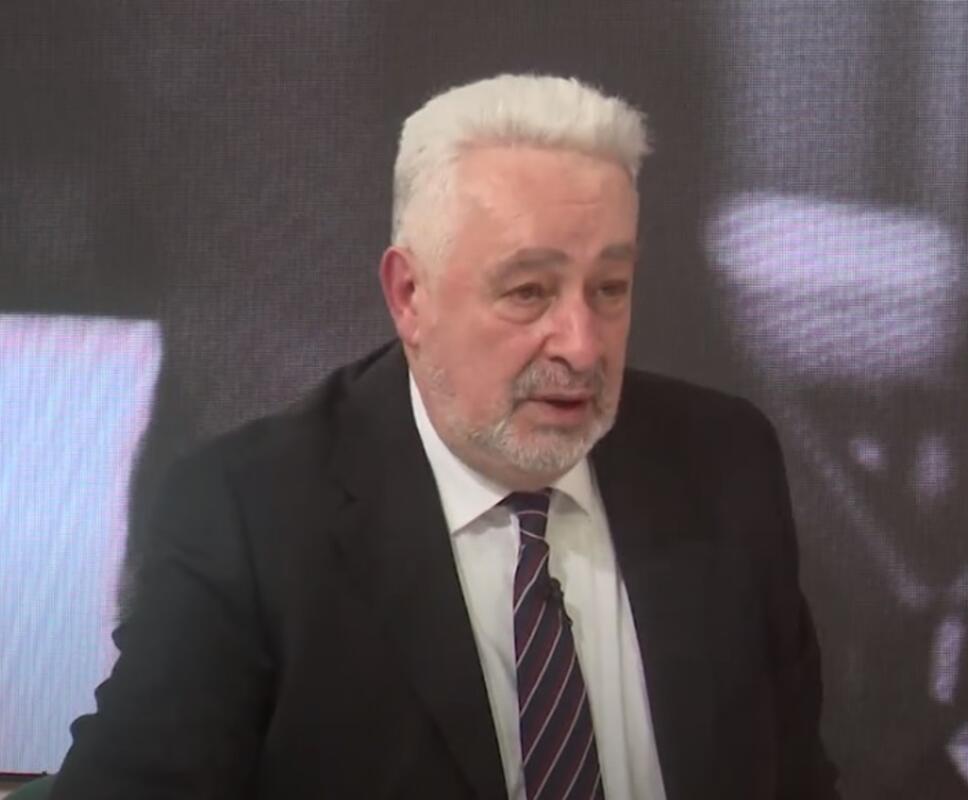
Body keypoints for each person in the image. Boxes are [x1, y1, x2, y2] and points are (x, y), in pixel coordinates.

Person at [50, 74, 839, 799]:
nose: (583, 345)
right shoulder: (252, 519)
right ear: (410, 295)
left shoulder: (725, 464)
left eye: (609, 289)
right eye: (529, 291)